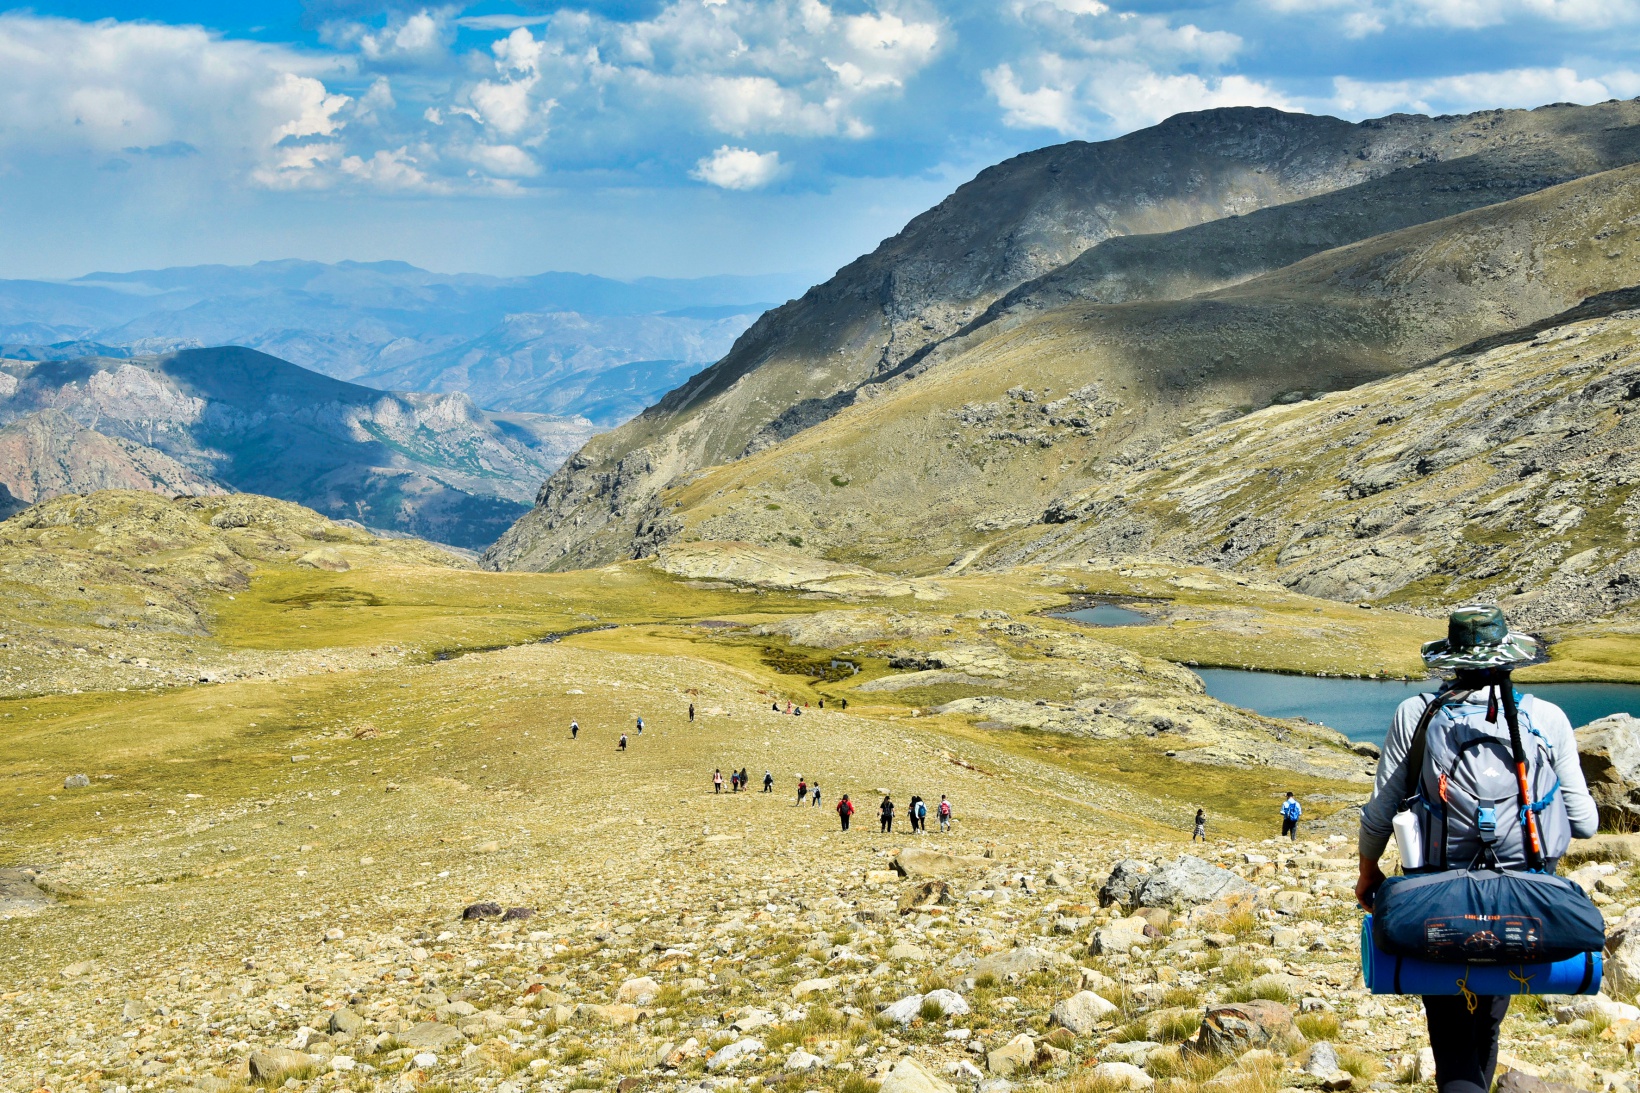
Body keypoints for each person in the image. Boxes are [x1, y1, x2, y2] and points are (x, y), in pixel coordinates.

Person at [1356, 605, 1598, 1093]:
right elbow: (1587, 824)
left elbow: (1380, 811)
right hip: (1523, 896)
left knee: (1447, 1023)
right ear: (1509, 660)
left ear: (1451, 660)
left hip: (1436, 893)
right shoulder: (1545, 717)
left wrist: (1368, 874)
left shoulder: (1417, 712)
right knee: (1489, 1015)